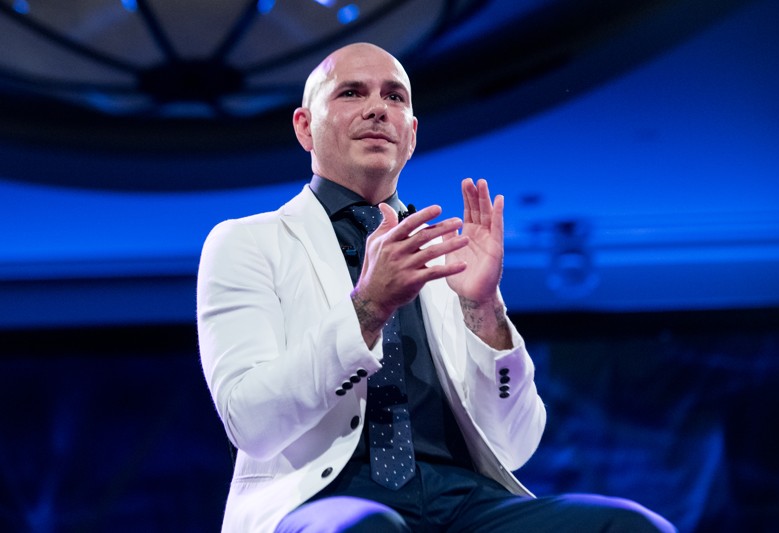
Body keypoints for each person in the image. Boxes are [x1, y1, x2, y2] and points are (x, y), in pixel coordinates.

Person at [197, 42, 675, 532]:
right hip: (322, 497)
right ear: (304, 127)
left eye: (394, 97)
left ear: (411, 133)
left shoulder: (449, 253)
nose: (377, 108)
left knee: (631, 526)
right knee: (368, 527)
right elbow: (250, 422)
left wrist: (483, 308)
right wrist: (368, 307)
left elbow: (516, 445)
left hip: (464, 502)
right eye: (351, 93)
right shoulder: (248, 242)